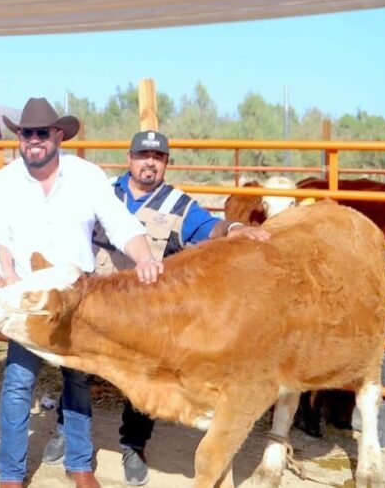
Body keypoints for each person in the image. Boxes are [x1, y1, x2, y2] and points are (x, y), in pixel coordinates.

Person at [41, 130, 269, 486]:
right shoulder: (102, 191)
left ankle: (133, 444)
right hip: (94, 305)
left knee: (145, 378)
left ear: (165, 163)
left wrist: (235, 227)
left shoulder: (179, 205)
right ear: (129, 158)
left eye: (158, 157)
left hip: (144, 317)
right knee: (77, 371)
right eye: (143, 155)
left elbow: (210, 227)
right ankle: (68, 433)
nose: (150, 162)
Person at [0, 97, 153, 488]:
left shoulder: (87, 175)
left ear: (58, 135)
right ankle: (11, 473)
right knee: (17, 382)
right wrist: (7, 274)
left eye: (42, 133)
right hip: (29, 292)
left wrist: (145, 256)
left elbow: (119, 222)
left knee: (78, 380)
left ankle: (80, 463)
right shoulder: (5, 179)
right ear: (20, 137)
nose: (33, 140)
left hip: (76, 292)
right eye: (26, 133)